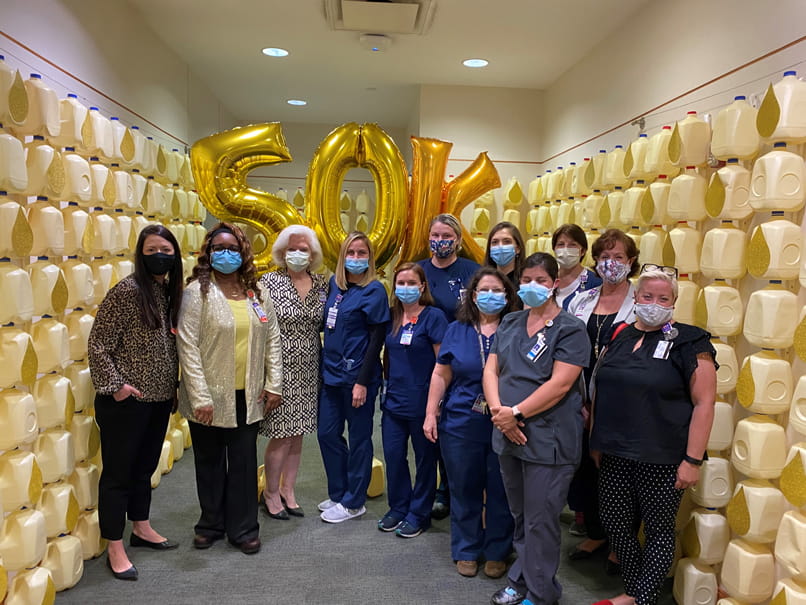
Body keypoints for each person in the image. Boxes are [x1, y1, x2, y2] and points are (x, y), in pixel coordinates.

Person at [590, 266, 716, 605]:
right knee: (616, 524)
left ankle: (641, 599)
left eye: (663, 298)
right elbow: (600, 388)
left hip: (663, 456)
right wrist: (595, 441)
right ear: (636, 297)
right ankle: (633, 591)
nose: (654, 303)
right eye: (647, 296)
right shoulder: (618, 334)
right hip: (615, 451)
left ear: (674, 302)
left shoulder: (691, 341)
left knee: (659, 531)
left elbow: (705, 403)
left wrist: (692, 460)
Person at [484, 252, 591, 605]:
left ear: (555, 284)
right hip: (508, 433)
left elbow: (561, 384)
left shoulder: (571, 329)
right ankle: (521, 579)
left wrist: (515, 413)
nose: (533, 286)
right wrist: (500, 412)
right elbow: (492, 369)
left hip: (549, 439)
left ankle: (542, 593)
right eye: (527, 279)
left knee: (541, 519)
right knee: (520, 514)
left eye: (541, 281)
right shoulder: (511, 321)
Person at [177, 222, 282, 555]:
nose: (226, 254)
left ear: (243, 253)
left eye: (232, 249)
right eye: (219, 248)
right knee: (208, 461)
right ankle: (211, 523)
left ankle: (244, 528)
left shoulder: (257, 293)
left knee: (242, 463)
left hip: (247, 394)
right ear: (208, 253)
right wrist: (200, 396)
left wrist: (273, 383)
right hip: (207, 395)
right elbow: (188, 345)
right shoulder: (197, 292)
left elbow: (273, 340)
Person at [88, 224, 183, 581]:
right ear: (141, 255)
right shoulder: (127, 292)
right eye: (152, 249)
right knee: (118, 474)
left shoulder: (168, 293)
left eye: (166, 249)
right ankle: (114, 544)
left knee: (144, 468)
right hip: (127, 402)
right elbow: (98, 344)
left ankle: (141, 527)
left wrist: (172, 387)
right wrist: (117, 387)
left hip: (159, 399)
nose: (160, 255)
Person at [424, 267, 516, 580]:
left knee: (501, 489)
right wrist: (430, 412)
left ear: (507, 296)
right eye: (484, 290)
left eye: (497, 290)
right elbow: (441, 373)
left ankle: (497, 551)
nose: (490, 296)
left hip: (506, 422)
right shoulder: (457, 329)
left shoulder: (517, 328)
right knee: (464, 487)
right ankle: (466, 548)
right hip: (461, 421)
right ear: (473, 296)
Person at [565, 228, 638, 572]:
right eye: (604, 257)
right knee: (584, 471)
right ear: (595, 262)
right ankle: (595, 532)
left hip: (619, 403)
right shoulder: (581, 300)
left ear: (631, 262)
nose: (611, 264)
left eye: (619, 257)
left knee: (616, 475)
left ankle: (619, 544)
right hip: (580, 399)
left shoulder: (641, 303)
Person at [318, 231, 390, 523]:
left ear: (370, 259)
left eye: (362, 254)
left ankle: (354, 501)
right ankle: (339, 493)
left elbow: (377, 339)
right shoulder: (334, 287)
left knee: (359, 439)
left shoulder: (374, 290)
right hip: (331, 376)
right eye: (352, 253)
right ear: (342, 256)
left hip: (358, 378)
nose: (356, 259)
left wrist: (362, 381)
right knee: (326, 434)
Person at [258, 225, 328, 520]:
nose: (298, 254)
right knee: (281, 434)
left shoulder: (322, 284)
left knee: (298, 434)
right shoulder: (267, 283)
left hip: (310, 367)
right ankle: (270, 493)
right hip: (278, 365)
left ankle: (289, 490)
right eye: (292, 249)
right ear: (281, 252)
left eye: (304, 249)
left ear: (313, 255)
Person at [379, 262, 448, 538]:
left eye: (411, 283)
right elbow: (388, 358)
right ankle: (398, 507)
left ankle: (419, 512)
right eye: (401, 283)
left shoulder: (434, 317)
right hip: (393, 402)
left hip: (423, 402)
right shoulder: (393, 316)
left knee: (425, 460)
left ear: (422, 287)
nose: (406, 288)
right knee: (394, 456)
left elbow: (443, 364)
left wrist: (437, 405)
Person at [418, 213, 480, 520]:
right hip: (423, 361)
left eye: (447, 236)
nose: (440, 241)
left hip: (461, 359)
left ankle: (455, 491)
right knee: (429, 428)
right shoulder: (420, 270)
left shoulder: (472, 271)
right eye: (435, 235)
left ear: (458, 239)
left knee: (455, 428)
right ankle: (433, 491)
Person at [552, 223, 602, 309]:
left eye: (572, 245)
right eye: (561, 244)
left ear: (582, 251)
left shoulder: (595, 282)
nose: (566, 249)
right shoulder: (547, 279)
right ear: (554, 249)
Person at [483, 221, 526, 287]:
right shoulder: (482, 280)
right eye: (495, 242)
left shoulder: (525, 282)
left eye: (507, 241)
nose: (500, 246)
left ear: (518, 248)